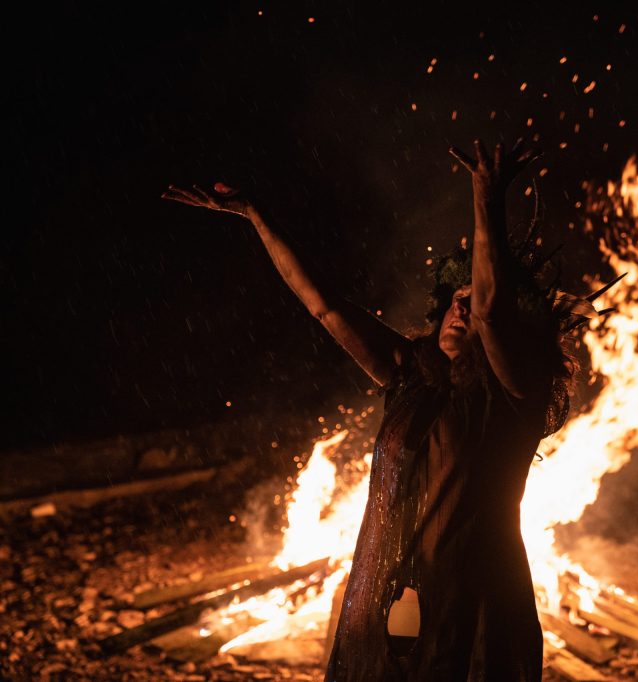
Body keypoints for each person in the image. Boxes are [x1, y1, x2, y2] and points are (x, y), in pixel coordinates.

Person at [162, 139, 585, 680]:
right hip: (382, 601)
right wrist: (254, 214)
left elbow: (491, 309)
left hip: (472, 609)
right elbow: (323, 305)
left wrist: (486, 198)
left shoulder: (513, 396)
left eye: (472, 300)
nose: (462, 309)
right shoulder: (409, 373)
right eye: (454, 299)